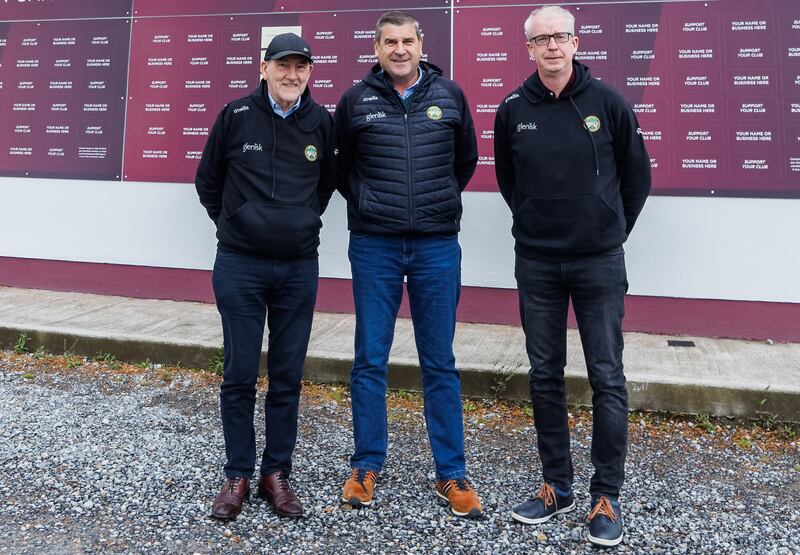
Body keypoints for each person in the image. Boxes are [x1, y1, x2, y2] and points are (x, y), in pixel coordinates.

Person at [493, 5, 651, 546]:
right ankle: (556, 486)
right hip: (537, 261)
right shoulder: (513, 109)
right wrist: (536, 220)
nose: (553, 46)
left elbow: (637, 177)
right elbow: (510, 181)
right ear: (529, 49)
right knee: (544, 375)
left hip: (598, 261)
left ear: (576, 43)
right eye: (542, 39)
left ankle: (605, 494)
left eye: (561, 36)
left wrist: (608, 228)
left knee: (606, 376)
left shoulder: (609, 103)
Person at [333, 11, 483, 518]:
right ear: (376, 49)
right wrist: (369, 203)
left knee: (439, 361)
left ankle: (451, 473)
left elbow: (464, 161)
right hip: (374, 244)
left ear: (421, 44)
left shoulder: (449, 95)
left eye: (407, 41)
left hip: (436, 245)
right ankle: (366, 465)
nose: (399, 49)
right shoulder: (355, 100)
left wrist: (436, 202)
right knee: (369, 358)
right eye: (389, 42)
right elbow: (342, 168)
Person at [195, 33, 335, 520]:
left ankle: (276, 474)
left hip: (298, 267)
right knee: (238, 374)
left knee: (287, 376)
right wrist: (237, 224)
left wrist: (299, 223)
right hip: (241, 265)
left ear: (309, 72)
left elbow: (325, 187)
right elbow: (208, 181)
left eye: (300, 67)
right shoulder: (235, 116)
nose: (291, 75)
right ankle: (237, 474)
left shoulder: (321, 123)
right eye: (282, 65)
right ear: (264, 68)